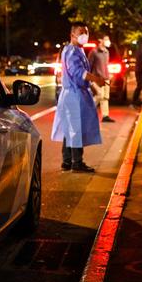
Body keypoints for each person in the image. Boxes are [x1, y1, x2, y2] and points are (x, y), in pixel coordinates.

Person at [52, 22, 106, 173]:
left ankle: (67, 161)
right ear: (72, 35)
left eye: (86, 32)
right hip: (74, 94)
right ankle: (77, 162)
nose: (85, 35)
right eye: (81, 32)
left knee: (70, 127)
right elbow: (78, 72)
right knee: (76, 127)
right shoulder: (71, 52)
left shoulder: (77, 50)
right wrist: (96, 80)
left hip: (76, 93)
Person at [88, 35, 114, 123]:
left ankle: (105, 116)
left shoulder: (107, 52)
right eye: (106, 39)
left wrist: (109, 75)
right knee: (99, 95)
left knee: (105, 97)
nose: (108, 41)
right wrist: (90, 78)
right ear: (100, 40)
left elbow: (105, 65)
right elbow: (89, 66)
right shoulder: (94, 52)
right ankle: (88, 110)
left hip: (106, 78)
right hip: (97, 78)